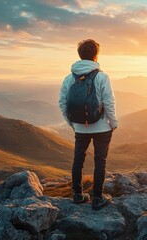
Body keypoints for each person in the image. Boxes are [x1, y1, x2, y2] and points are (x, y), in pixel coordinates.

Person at [58, 39, 118, 210]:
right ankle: (97, 199)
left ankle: (77, 195)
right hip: (102, 127)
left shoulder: (69, 78)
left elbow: (62, 102)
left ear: (80, 55)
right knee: (100, 161)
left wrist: (72, 123)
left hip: (79, 127)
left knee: (78, 159)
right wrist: (113, 123)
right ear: (96, 55)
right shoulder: (102, 76)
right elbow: (108, 102)